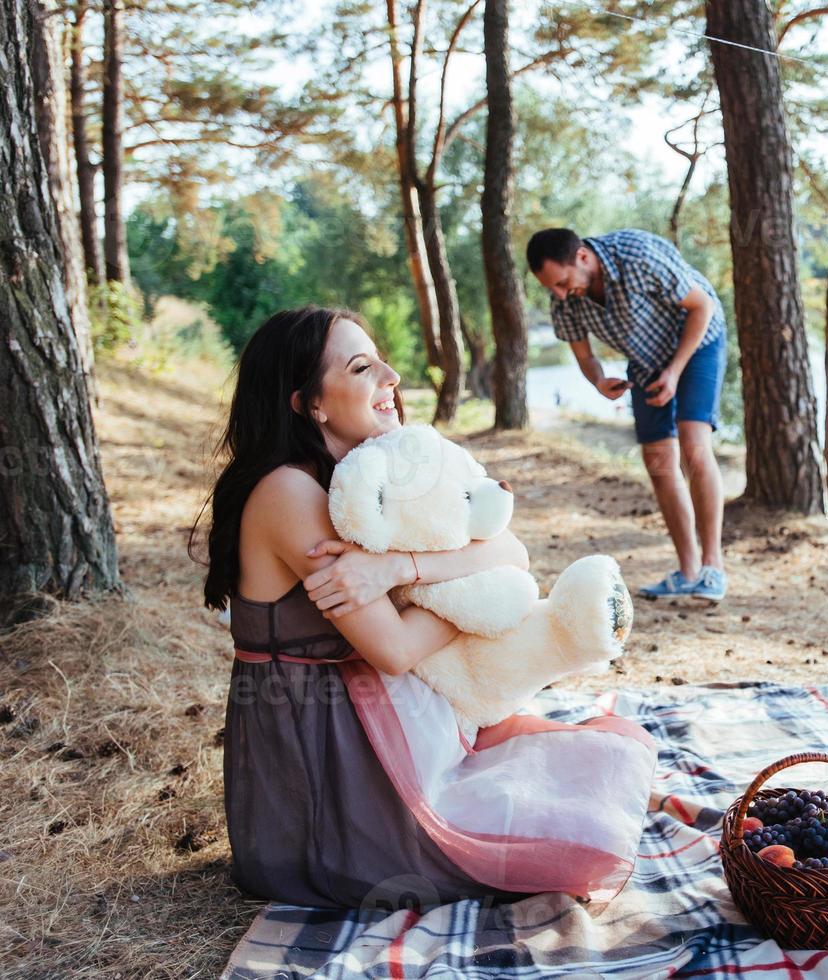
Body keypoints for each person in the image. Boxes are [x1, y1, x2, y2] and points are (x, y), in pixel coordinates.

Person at [197, 306, 534, 908]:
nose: (393, 376)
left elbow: (511, 545)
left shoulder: (358, 483)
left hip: (370, 727)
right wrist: (476, 591)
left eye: (381, 358)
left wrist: (403, 568)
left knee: (545, 764)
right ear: (309, 404)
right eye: (362, 366)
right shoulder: (291, 492)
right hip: (323, 778)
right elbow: (395, 649)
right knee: (533, 838)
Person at [527, 227, 727, 602]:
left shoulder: (639, 255)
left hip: (698, 340)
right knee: (656, 458)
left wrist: (675, 372)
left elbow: (702, 306)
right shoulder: (566, 300)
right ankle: (688, 571)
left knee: (693, 443)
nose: (558, 293)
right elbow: (586, 358)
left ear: (583, 258)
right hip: (647, 357)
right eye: (550, 287)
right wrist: (599, 381)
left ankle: (713, 569)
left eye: (562, 281)